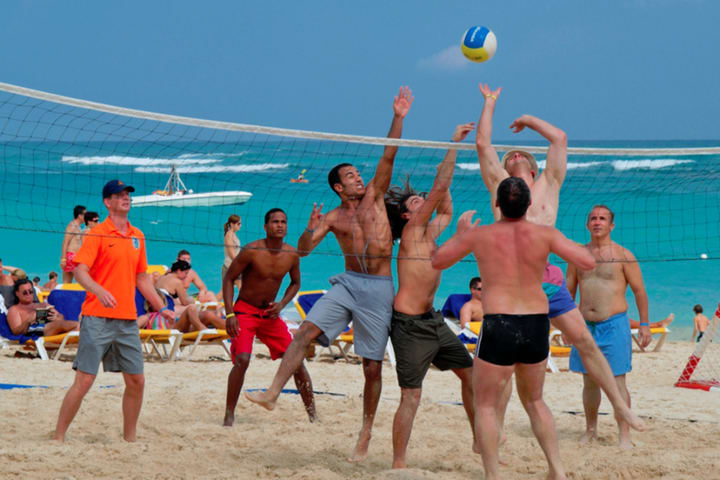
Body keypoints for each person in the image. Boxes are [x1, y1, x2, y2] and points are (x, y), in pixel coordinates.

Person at [245, 87, 414, 462]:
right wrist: (309, 227)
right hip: (348, 283)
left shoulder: (374, 197)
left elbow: (389, 154)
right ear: (338, 187)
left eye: (358, 175)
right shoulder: (335, 217)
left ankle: (366, 431)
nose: (358, 179)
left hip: (378, 287)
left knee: (371, 367)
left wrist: (398, 116)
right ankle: (273, 393)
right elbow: (302, 250)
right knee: (303, 332)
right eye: (350, 177)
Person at [474, 83, 645, 432]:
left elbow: (560, 139)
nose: (516, 156)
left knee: (585, 341)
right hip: (511, 286)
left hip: (546, 279)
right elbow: (482, 144)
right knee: (504, 372)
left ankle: (621, 408)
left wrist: (528, 120)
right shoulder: (500, 189)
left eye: (522, 156)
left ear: (534, 169)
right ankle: (498, 431)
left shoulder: (550, 182)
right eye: (511, 157)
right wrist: (490, 103)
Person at [432, 177, 596, 480]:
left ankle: (493, 475)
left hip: (499, 323)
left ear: (496, 204)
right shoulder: (544, 234)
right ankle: (557, 471)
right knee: (534, 401)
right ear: (529, 205)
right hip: (535, 322)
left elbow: (438, 260)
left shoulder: (480, 235)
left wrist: (460, 234)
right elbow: (587, 261)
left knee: (485, 405)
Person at [384, 122, 477, 469]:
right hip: (408, 326)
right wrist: (452, 145)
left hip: (434, 321)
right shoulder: (411, 232)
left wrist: (443, 177)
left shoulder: (429, 232)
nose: (421, 199)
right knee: (412, 396)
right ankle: (398, 464)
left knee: (471, 376)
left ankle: (477, 438)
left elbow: (446, 209)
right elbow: (439, 192)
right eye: (415, 201)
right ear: (408, 214)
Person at [53, 180, 173, 442]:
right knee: (84, 381)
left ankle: (129, 439)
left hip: (128, 320)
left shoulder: (137, 236)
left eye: (127, 194)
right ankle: (58, 436)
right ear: (107, 202)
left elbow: (142, 278)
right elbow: (79, 270)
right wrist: (98, 290)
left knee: (137, 382)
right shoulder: (97, 233)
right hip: (97, 317)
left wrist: (161, 308)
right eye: (118, 195)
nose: (125, 198)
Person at [566, 205, 651, 448]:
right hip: (584, 326)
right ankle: (590, 430)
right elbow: (569, 292)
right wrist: (566, 325)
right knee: (589, 382)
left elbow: (639, 291)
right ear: (587, 224)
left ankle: (624, 433)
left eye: (602, 219)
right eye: (593, 218)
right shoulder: (578, 255)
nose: (597, 222)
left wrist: (644, 324)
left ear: (611, 225)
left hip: (614, 325)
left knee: (617, 381)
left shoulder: (623, 255)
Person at [222, 208, 316, 427]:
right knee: (242, 360)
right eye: (275, 222)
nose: (280, 225)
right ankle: (229, 415)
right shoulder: (252, 250)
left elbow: (295, 283)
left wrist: (282, 304)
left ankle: (313, 415)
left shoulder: (291, 254)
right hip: (245, 310)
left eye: (283, 221)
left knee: (296, 361)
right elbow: (229, 279)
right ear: (266, 226)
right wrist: (230, 313)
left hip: (270, 314)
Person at [155, 260, 225, 331]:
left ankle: (211, 319)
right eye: (185, 273)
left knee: (203, 311)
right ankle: (215, 318)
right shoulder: (177, 282)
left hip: (160, 311)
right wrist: (195, 302)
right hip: (169, 312)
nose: (186, 276)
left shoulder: (162, 278)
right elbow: (185, 302)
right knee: (197, 309)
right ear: (179, 271)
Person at [7, 278, 78, 337]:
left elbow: (61, 318)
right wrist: (28, 321)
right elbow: (15, 332)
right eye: (25, 293)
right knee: (76, 325)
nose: (28, 294)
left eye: (31, 291)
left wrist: (56, 317)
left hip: (55, 328)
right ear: (17, 293)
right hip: (39, 331)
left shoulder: (43, 305)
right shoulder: (14, 309)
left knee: (77, 327)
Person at [60, 205, 86, 284]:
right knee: (83, 281)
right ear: (80, 216)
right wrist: (63, 259)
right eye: (85, 214)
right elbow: (65, 242)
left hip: (74, 256)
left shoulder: (78, 227)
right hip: (71, 257)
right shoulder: (72, 226)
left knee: (67, 283)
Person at [221, 214, 242, 302]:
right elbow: (231, 253)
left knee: (224, 292)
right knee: (242, 288)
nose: (240, 225)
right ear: (232, 224)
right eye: (238, 224)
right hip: (231, 266)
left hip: (231, 266)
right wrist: (240, 264)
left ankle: (210, 303)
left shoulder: (233, 234)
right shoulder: (229, 235)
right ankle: (248, 307)